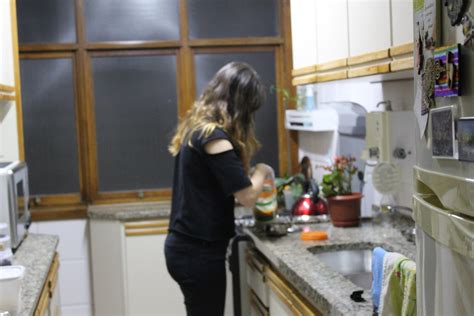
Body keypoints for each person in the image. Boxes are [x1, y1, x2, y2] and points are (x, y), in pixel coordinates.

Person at [165, 61, 273, 316]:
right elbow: (246, 196)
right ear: (241, 106)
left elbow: (212, 189)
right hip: (198, 253)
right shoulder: (215, 138)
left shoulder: (198, 129)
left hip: (186, 248)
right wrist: (263, 170)